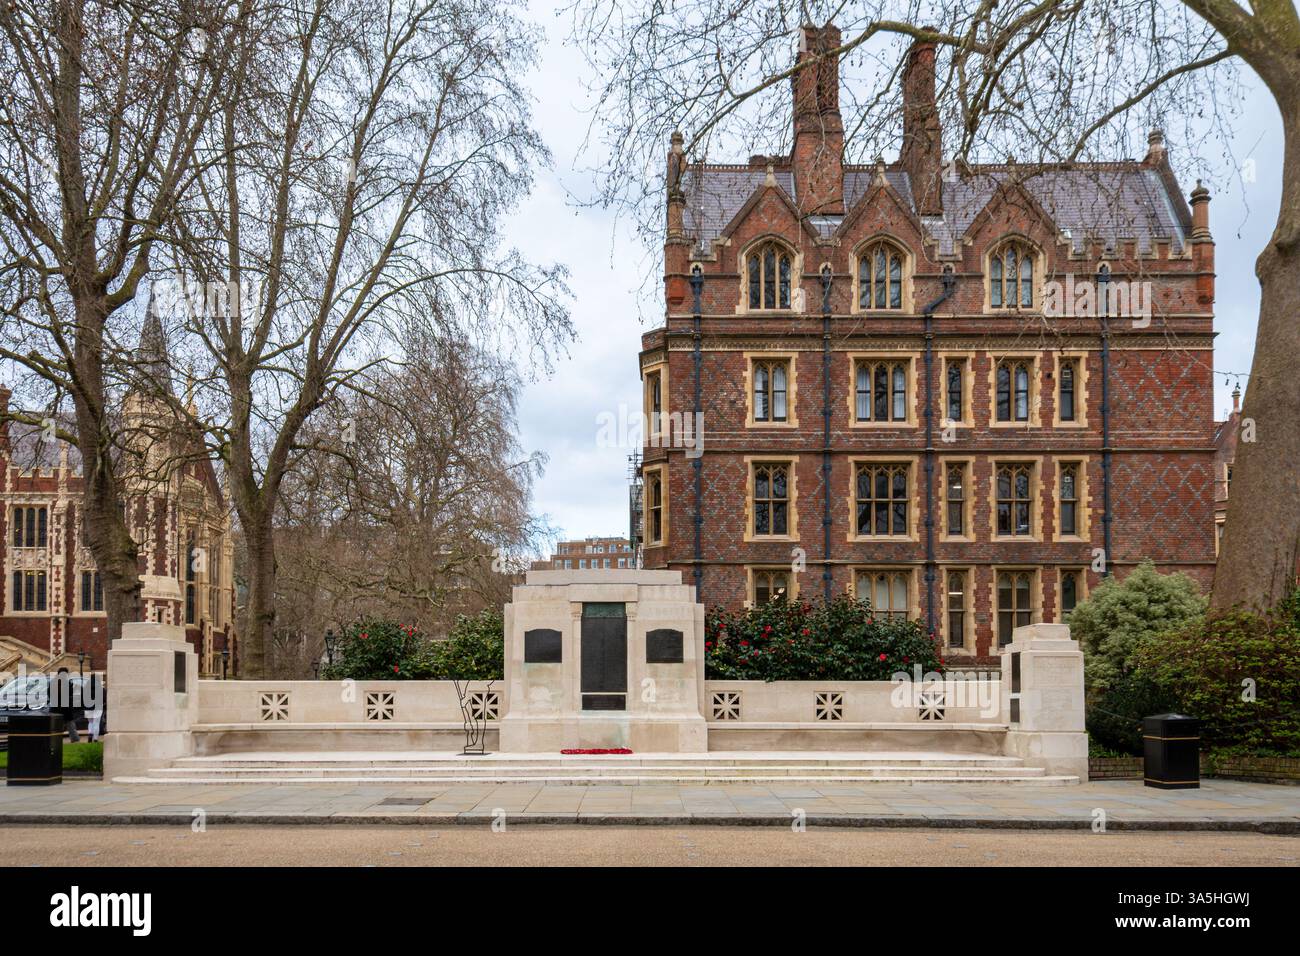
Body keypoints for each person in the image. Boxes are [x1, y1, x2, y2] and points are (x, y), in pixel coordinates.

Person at [52, 667, 80, 743]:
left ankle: (55, 740)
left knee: (57, 727)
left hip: (56, 708)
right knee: (71, 726)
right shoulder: (68, 683)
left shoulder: (53, 683)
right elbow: (70, 694)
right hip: (66, 708)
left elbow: (49, 694)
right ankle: (75, 740)